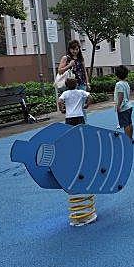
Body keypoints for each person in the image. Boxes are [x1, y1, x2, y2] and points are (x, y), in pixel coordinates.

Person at [58, 77, 96, 226]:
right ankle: (82, 148)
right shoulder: (80, 92)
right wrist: (86, 105)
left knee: (69, 134)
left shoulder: (65, 94)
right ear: (76, 85)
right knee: (81, 133)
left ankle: (71, 149)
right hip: (79, 115)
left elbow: (60, 101)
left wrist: (62, 109)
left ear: (66, 86)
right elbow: (90, 97)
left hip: (69, 116)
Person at [114, 65, 133, 142]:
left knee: (125, 125)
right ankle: (130, 138)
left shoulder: (119, 84)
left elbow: (120, 95)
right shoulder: (126, 83)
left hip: (123, 107)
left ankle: (127, 140)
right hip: (129, 105)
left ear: (117, 75)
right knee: (129, 123)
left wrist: (118, 106)